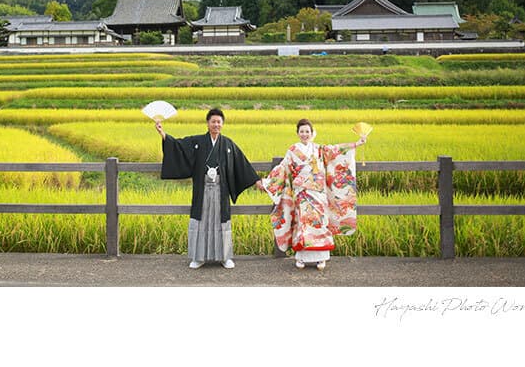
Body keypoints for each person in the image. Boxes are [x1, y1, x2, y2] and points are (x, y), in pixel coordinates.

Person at [155, 108, 263, 269]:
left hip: (221, 190)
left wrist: (256, 181)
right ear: (208, 123)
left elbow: (242, 164)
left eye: (219, 122)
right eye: (213, 121)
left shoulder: (228, 144)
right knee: (201, 221)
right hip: (203, 189)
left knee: (221, 221)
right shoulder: (197, 142)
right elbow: (178, 146)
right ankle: (198, 257)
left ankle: (225, 257)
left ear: (222, 124)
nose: (216, 124)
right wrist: (162, 133)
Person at [260, 118, 367, 271]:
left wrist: (356, 144)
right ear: (297, 133)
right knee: (303, 224)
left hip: (318, 193)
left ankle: (321, 258)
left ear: (312, 133)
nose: (304, 134)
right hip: (302, 194)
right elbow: (283, 168)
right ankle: (301, 258)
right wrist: (268, 182)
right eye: (302, 131)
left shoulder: (319, 149)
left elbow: (336, 151)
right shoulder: (292, 150)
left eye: (307, 131)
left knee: (320, 223)